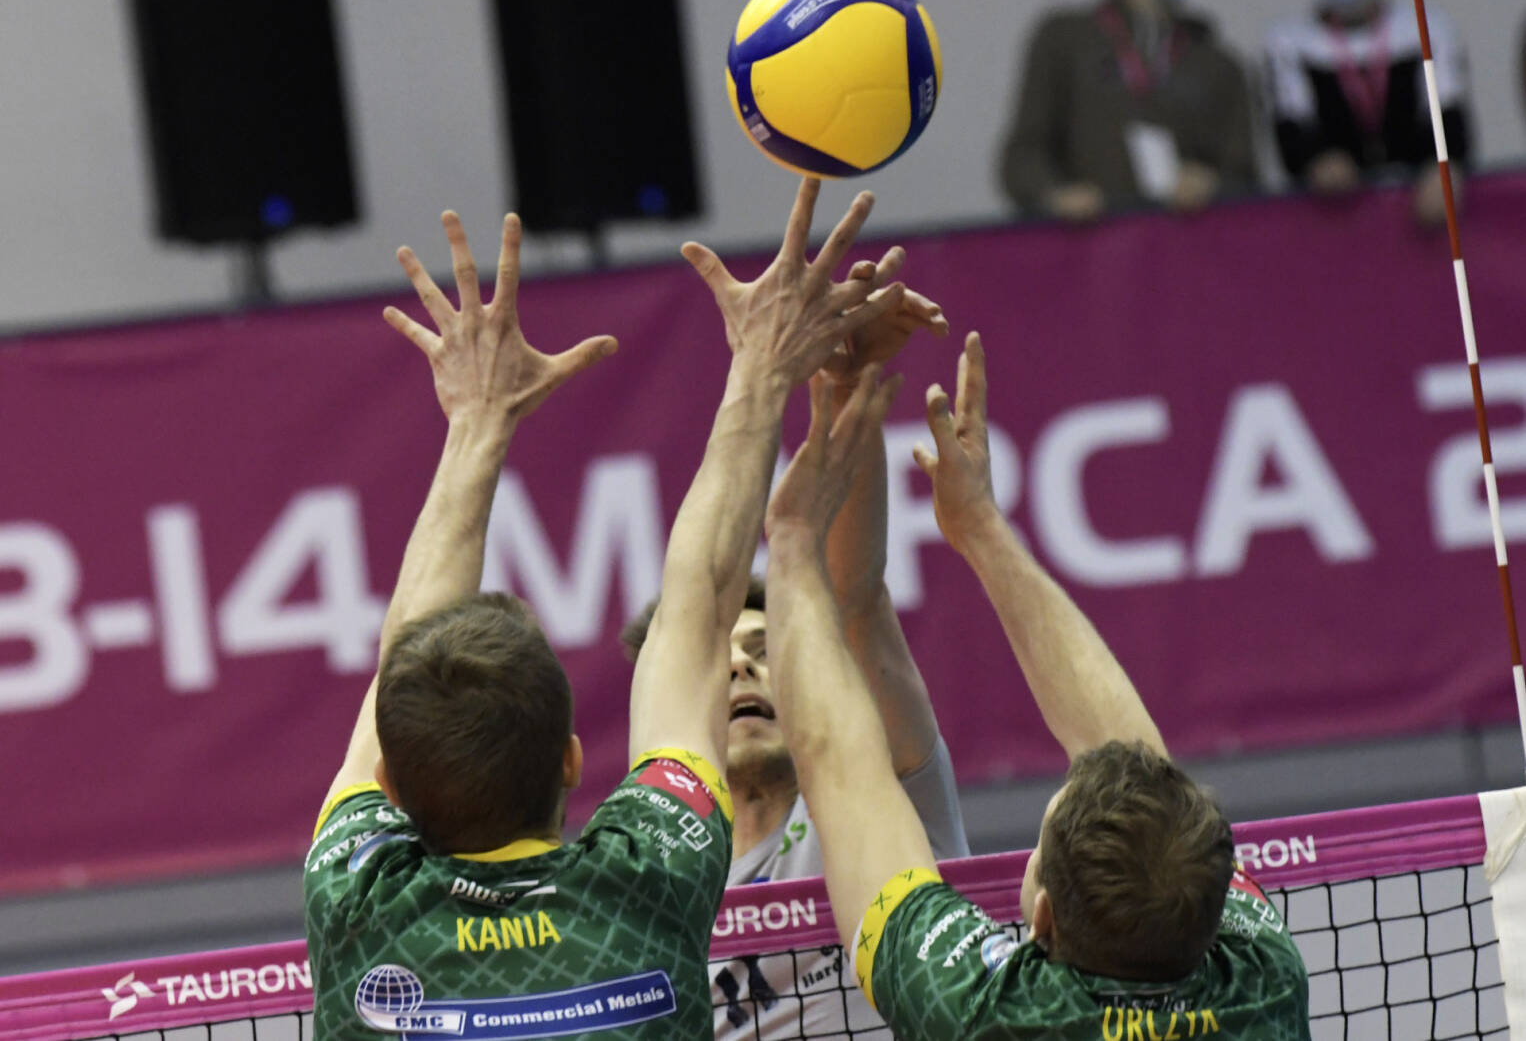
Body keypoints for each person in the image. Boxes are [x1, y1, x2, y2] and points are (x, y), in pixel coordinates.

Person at [303, 182, 896, 1039]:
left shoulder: (352, 896)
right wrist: (763, 369)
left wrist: (476, 425)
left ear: (391, 785)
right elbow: (698, 613)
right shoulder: (650, 875)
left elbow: (404, 661)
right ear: (573, 761)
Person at [761, 334, 1312, 1038]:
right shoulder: (1262, 983)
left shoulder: (986, 1015)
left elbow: (843, 772)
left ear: (1043, 916)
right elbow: (1136, 769)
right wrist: (978, 527)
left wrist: (792, 536)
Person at [620, 255, 969, 1039]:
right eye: (722, 659)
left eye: (764, 649)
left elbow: (855, 601)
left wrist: (843, 385)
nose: (742, 664)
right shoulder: (650, 885)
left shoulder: (877, 800)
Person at [999, 0, 1257, 221]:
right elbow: (1023, 157)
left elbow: (1244, 175)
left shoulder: (1220, 65)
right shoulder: (1064, 39)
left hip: (1185, 239)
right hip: (1089, 240)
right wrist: (1055, 194)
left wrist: (1212, 184)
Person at [1265, 0, 1472, 226]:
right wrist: (1317, 162)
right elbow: (1291, 133)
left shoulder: (1428, 27)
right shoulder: (1288, 42)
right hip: (1336, 218)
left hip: (1421, 210)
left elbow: (1450, 118)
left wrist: (1446, 169)